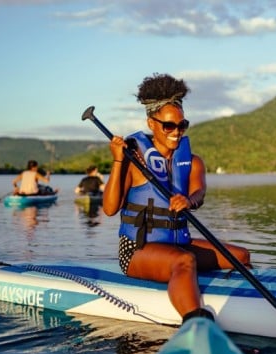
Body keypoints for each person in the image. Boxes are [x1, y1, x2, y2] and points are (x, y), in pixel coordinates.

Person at [103, 73, 252, 325]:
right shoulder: (134, 160)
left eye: (182, 125)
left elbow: (199, 193)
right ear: (152, 123)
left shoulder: (192, 162)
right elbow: (109, 209)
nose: (176, 132)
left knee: (241, 256)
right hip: (138, 249)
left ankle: (243, 306)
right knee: (185, 260)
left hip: (177, 244)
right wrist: (118, 160)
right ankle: (195, 321)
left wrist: (189, 201)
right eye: (169, 126)